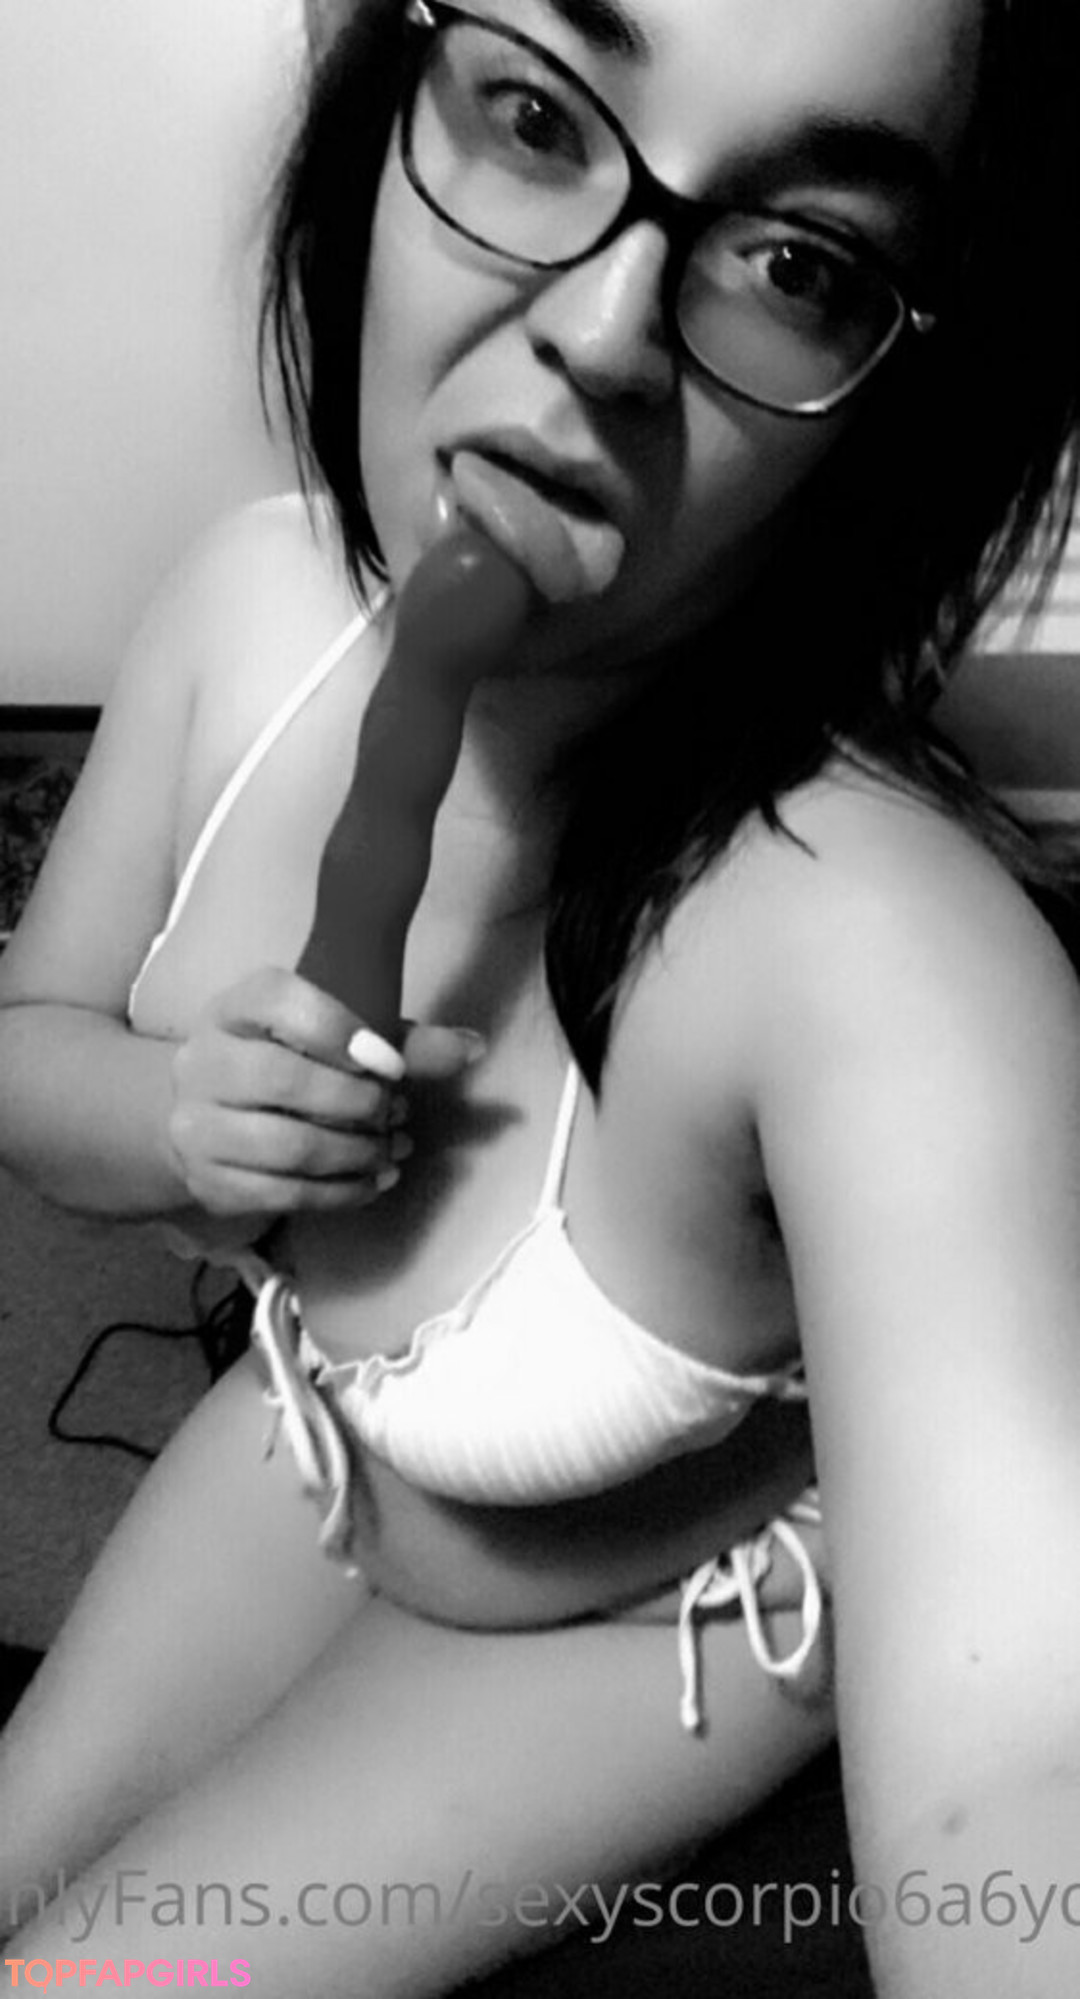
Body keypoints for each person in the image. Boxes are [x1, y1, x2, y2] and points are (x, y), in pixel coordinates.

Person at [2, 0, 1080, 1992]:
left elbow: (1022, 1776)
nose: (600, 333)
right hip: (322, 1435)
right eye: (532, 115)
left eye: (797, 264)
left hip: (661, 1611)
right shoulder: (242, 605)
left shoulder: (881, 951)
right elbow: (24, 1060)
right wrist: (173, 1120)